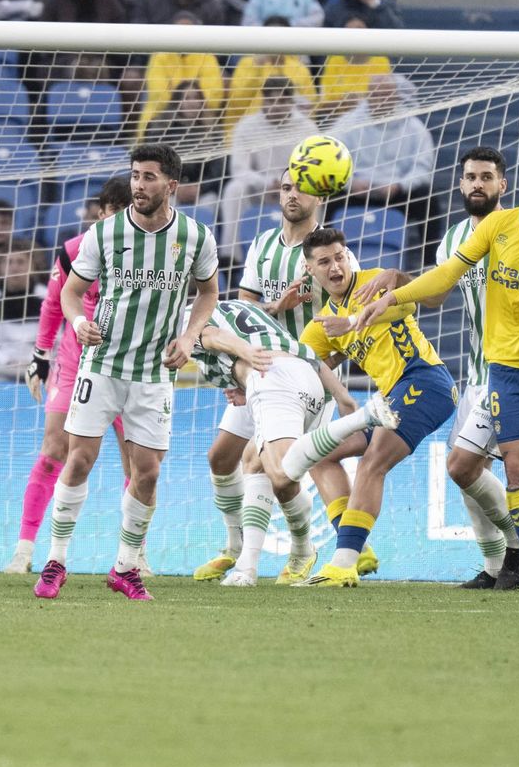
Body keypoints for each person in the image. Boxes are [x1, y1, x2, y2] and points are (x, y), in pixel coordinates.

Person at [359, 142, 519, 593]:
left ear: (504, 183)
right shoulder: (482, 232)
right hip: (495, 372)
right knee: (484, 468)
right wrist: (395, 293)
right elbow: (442, 282)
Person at [33, 143, 220, 602]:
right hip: (102, 365)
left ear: (171, 185)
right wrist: (79, 322)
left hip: (154, 372)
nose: (139, 184)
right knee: (79, 459)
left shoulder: (196, 237)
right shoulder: (105, 233)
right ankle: (56, 561)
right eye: (135, 175)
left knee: (148, 473)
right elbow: (70, 293)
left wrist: (189, 337)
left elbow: (208, 293)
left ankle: (124, 567)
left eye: (148, 177)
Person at [194, 172, 376, 586]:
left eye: (302, 188)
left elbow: (353, 315)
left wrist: (327, 361)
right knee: (222, 457)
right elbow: (244, 308)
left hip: (311, 374)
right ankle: (235, 547)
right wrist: (278, 306)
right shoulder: (262, 244)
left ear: (321, 195)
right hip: (257, 367)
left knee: (281, 465)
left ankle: (336, 547)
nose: (293, 195)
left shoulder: (333, 252)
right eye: (286, 187)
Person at [278, 226, 453, 588]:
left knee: (373, 461)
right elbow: (298, 364)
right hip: (389, 400)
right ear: (310, 270)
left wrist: (353, 322)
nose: (335, 267)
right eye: (324, 262)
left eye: (339, 257)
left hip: (425, 382)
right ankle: (357, 548)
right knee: (321, 456)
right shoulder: (322, 324)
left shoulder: (375, 281)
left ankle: (343, 563)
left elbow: (409, 303)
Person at [187, 298, 366, 587]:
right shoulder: (237, 308)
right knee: (254, 462)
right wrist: (344, 397)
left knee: (281, 473)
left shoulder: (186, 319)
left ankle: (264, 562)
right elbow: (308, 356)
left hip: (269, 380)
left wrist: (247, 354)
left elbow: (212, 336)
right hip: (309, 378)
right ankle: (254, 560)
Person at [6, 177, 133, 575]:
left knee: (138, 463)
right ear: (101, 213)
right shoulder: (76, 250)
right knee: (53, 450)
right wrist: (40, 355)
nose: (122, 222)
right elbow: (53, 303)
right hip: (76, 363)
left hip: (130, 366)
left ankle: (135, 554)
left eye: (129, 213)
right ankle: (24, 550)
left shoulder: (151, 254)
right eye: (115, 213)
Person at [220, 76, 317, 262]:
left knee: (316, 191)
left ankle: (310, 251)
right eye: (271, 100)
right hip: (257, 191)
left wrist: (287, 186)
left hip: (295, 190)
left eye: (282, 101)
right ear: (263, 100)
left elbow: (311, 168)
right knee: (234, 189)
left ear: (291, 101)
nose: (276, 106)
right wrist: (266, 183)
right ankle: (230, 257)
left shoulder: (307, 127)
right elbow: (239, 169)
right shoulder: (246, 126)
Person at [330, 73, 436, 232]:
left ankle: (432, 249)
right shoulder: (346, 123)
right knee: (328, 194)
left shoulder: (415, 128)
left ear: (396, 96)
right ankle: (322, 245)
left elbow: (423, 169)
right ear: (367, 96)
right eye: (375, 95)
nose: (380, 100)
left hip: (396, 194)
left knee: (427, 198)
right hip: (355, 191)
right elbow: (332, 161)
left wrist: (399, 186)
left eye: (385, 94)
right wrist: (350, 183)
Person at [137, 34, 223, 141]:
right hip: (164, 116)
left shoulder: (207, 56)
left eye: (196, 97)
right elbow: (158, 93)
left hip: (201, 121)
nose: (192, 103)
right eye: (186, 98)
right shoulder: (160, 56)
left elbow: (213, 94)